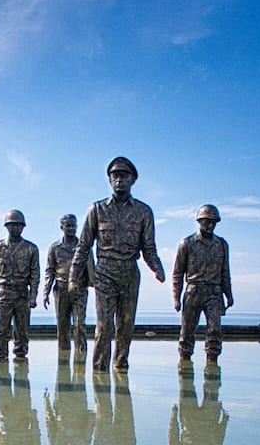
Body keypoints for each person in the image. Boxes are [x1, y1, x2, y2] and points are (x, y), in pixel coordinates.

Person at [71, 156, 165, 373]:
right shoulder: (97, 209)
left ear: (133, 180)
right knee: (104, 327)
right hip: (105, 273)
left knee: (126, 326)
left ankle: (121, 368)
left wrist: (157, 268)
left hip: (130, 273)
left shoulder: (144, 212)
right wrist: (73, 277)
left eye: (124, 175)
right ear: (109, 180)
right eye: (115, 175)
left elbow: (149, 247)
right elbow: (83, 246)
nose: (119, 179)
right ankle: (99, 372)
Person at [173, 204, 235, 362]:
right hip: (193, 293)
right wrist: (176, 298)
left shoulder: (222, 245)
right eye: (207, 221)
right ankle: (184, 365)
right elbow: (178, 274)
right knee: (187, 333)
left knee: (215, 331)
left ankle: (212, 366)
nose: (210, 225)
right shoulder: (186, 244)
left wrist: (229, 295)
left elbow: (225, 272)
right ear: (199, 221)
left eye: (213, 222)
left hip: (214, 293)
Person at [0, 209, 40, 361]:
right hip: (4, 293)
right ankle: (0, 359)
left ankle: (21, 359)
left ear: (23, 227)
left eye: (18, 225)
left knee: (22, 331)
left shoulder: (31, 248)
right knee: (1, 331)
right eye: (12, 225)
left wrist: (33, 297)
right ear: (7, 226)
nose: (16, 228)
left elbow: (35, 276)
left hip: (22, 294)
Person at [45, 213, 90, 356]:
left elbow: (91, 267)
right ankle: (63, 357)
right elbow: (49, 270)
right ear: (62, 227)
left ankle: (80, 357)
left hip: (79, 289)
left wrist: (94, 283)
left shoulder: (83, 246)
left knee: (79, 324)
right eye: (68, 226)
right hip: (61, 289)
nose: (71, 229)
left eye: (73, 226)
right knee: (62, 326)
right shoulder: (54, 248)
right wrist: (46, 292)